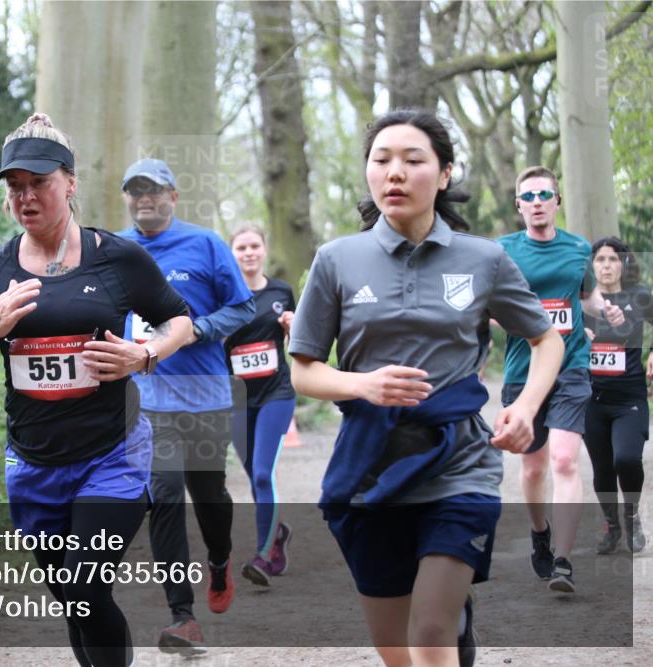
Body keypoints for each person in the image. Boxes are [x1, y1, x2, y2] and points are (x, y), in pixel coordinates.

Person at [289, 109, 564, 667]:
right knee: (397, 651)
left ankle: (451, 621)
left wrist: (526, 407)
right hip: (371, 467)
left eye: (413, 160)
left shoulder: (483, 258)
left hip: (460, 462)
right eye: (381, 160)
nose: (394, 172)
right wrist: (363, 385)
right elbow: (304, 369)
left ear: (443, 175)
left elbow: (546, 340)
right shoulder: (336, 260)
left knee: (430, 628)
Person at [0, 114, 191, 667]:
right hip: (33, 463)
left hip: (113, 455)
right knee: (77, 600)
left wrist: (144, 354)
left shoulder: (117, 257)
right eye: (15, 187)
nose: (26, 197)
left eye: (39, 183)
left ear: (70, 183)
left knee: (84, 584)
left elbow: (180, 321)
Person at [119, 158, 255, 655]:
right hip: (149, 400)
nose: (144, 199)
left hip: (206, 397)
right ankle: (183, 615)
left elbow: (242, 307)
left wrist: (197, 329)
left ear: (173, 196)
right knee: (165, 490)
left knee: (210, 494)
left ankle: (219, 559)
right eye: (135, 191)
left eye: (154, 190)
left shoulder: (206, 244)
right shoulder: (115, 249)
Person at [497, 166, 626, 593]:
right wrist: (510, 321)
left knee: (566, 460)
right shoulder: (503, 251)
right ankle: (540, 533)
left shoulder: (576, 248)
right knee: (533, 468)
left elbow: (585, 297)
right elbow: (490, 306)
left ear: (557, 201)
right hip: (524, 370)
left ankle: (565, 561)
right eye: (528, 196)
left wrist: (604, 309)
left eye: (543, 195)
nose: (536, 202)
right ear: (518, 205)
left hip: (571, 365)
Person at [226, 224, 296, 586]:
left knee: (263, 473)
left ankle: (263, 555)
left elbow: (300, 341)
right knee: (255, 474)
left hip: (276, 394)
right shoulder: (223, 295)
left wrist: (291, 326)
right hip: (237, 398)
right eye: (241, 247)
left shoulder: (282, 292)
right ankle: (277, 535)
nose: (249, 252)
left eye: (255, 245)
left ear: (264, 250)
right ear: (232, 253)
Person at [583, 236, 651, 554]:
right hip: (591, 400)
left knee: (626, 458)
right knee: (602, 469)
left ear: (623, 264)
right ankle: (611, 525)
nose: (606, 265)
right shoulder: (581, 301)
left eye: (612, 259)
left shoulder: (639, 296)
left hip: (630, 399)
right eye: (600, 260)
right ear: (591, 265)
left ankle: (632, 514)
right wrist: (576, 336)